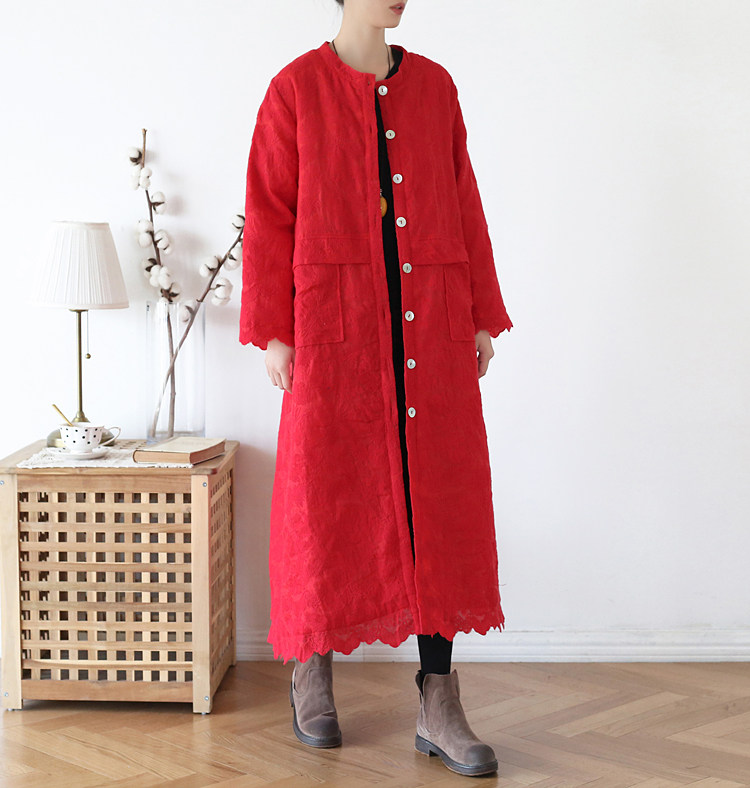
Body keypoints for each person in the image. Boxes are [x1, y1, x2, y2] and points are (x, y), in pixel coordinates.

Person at [240, 0, 512, 777]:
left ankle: (438, 700)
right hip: (336, 331)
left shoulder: (435, 88)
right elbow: (269, 210)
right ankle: (310, 667)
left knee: (439, 505)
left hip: (430, 327)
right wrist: (276, 330)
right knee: (325, 495)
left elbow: (463, 198)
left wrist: (479, 313)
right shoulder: (294, 89)